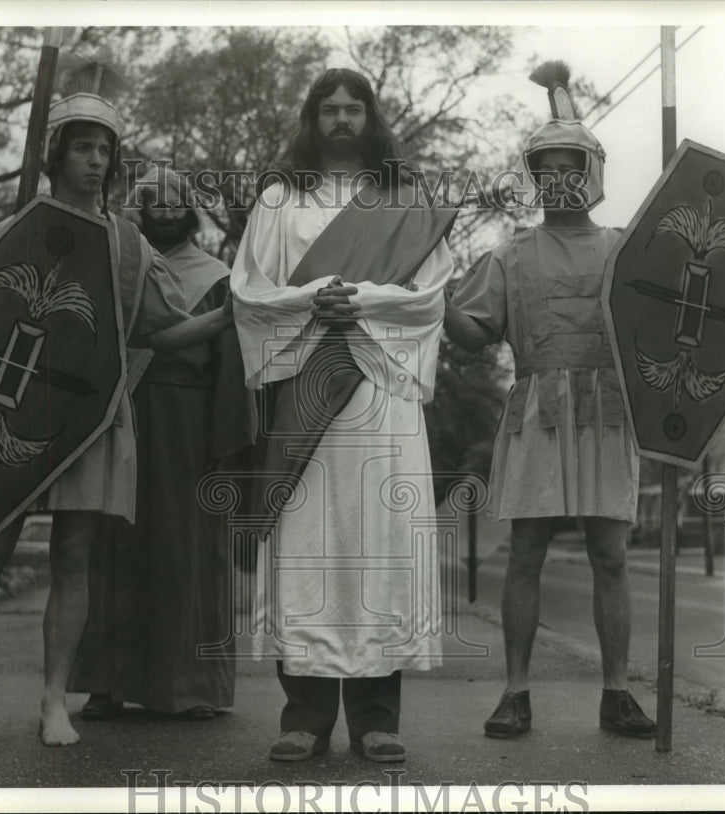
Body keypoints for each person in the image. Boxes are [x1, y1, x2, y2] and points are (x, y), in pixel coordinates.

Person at [0, 87, 232, 746]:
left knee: (75, 556)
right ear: (55, 152)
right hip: (10, 416)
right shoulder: (7, 232)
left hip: (89, 420)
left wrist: (234, 314)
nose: (94, 160)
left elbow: (161, 332)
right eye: (82, 147)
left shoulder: (127, 246)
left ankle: (54, 697)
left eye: (104, 150)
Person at [230, 68, 456, 763]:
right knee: (307, 550)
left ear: (371, 117)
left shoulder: (406, 197)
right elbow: (248, 290)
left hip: (380, 386)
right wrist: (312, 301)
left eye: (352, 108)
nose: (340, 119)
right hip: (306, 386)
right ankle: (302, 716)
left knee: (379, 547)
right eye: (327, 108)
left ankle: (377, 718)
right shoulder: (278, 197)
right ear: (311, 118)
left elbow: (431, 294)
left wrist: (358, 299)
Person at [444, 61, 656, 740]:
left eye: (570, 166)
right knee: (528, 550)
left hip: (609, 411)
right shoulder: (510, 256)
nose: (558, 180)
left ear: (591, 172)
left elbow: (665, 326)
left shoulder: (629, 250)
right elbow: (474, 335)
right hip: (536, 411)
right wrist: (438, 300)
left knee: (611, 555)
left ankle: (617, 692)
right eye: (547, 169)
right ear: (536, 178)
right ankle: (515, 692)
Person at [71, 165, 255, 720]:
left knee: (185, 552)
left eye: (178, 200)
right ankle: (105, 683)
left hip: (185, 422)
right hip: (119, 413)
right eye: (154, 199)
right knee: (111, 546)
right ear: (138, 207)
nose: (167, 208)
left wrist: (223, 441)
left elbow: (230, 365)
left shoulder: (218, 277)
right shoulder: (117, 268)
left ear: (192, 209)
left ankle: (192, 686)